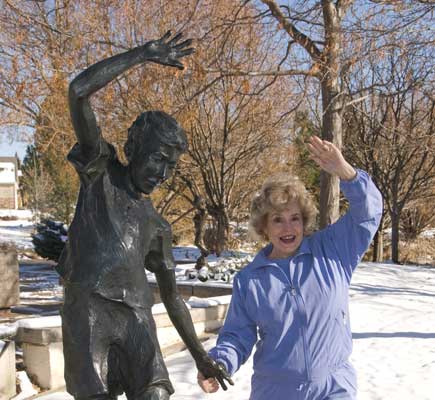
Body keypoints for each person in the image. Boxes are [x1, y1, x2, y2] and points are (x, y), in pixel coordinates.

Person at [57, 31, 232, 400]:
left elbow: (172, 298)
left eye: (171, 166)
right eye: (157, 159)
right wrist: (142, 54)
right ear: (134, 147)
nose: (163, 174)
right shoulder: (99, 172)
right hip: (90, 309)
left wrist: (201, 356)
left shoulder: (157, 226)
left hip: (138, 318)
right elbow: (79, 92)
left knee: (157, 393)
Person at [197, 136, 383, 399]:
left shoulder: (333, 250)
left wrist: (347, 173)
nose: (288, 228)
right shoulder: (250, 280)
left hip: (333, 388)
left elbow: (369, 214)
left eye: (295, 218)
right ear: (264, 226)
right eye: (277, 220)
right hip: (275, 391)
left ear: (304, 220)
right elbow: (237, 336)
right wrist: (219, 363)